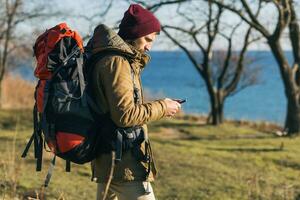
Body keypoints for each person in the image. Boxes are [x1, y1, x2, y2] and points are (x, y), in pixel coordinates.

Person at [87, 4, 181, 200]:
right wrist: (163, 106)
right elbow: (125, 115)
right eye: (147, 39)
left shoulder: (113, 58)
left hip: (110, 156)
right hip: (123, 162)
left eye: (152, 41)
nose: (149, 46)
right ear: (133, 34)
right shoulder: (117, 63)